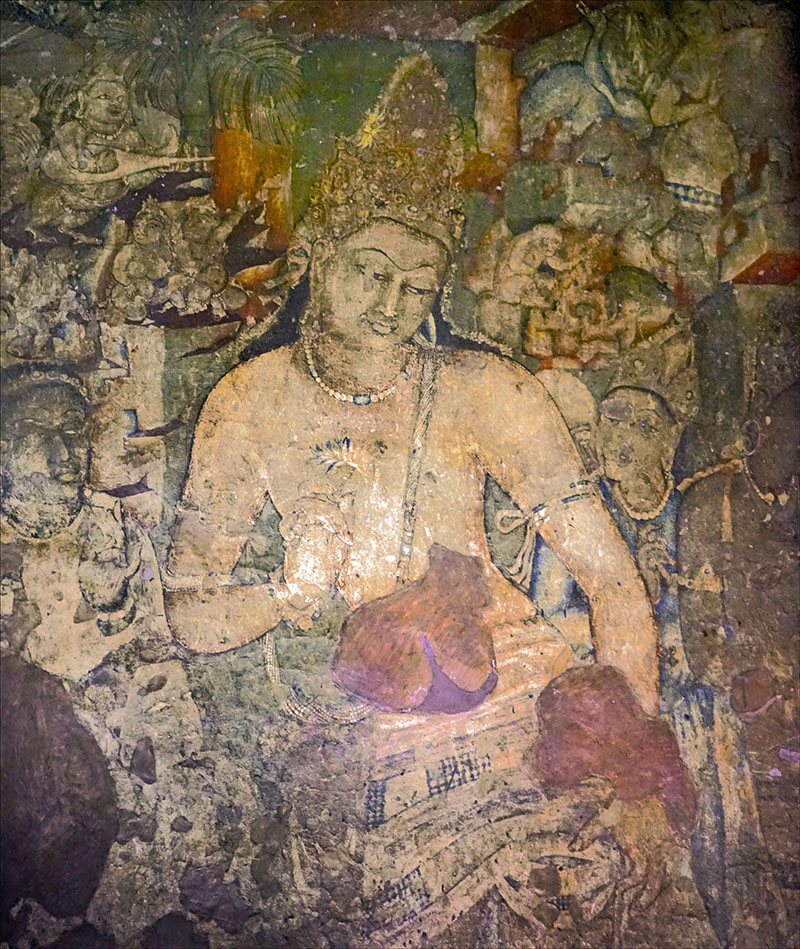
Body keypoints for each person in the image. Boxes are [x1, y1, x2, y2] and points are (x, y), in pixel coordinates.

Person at [164, 56, 697, 945]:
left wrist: (624, 754)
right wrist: (289, 593)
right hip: (377, 720)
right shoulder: (248, 402)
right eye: (370, 272)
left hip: (526, 696)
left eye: (417, 286)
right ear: (321, 252)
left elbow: (611, 578)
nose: (390, 306)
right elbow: (190, 613)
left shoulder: (485, 389)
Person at [0, 365, 166, 680]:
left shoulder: (116, 530)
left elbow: (155, 650)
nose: (62, 452)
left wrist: (113, 604)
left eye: (72, 429)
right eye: (36, 432)